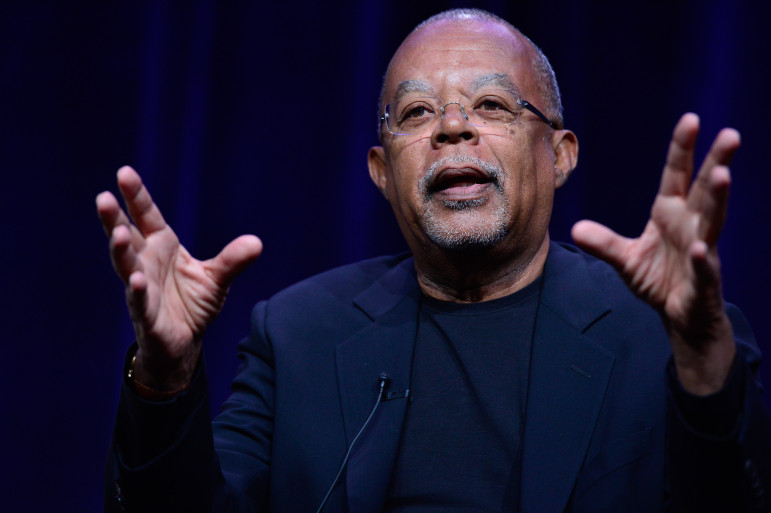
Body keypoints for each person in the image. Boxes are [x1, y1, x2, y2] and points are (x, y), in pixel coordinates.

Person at [98, 8, 770, 513]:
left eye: (490, 104)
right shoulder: (298, 334)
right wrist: (164, 373)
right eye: (417, 111)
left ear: (559, 154)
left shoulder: (665, 335)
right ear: (382, 171)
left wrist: (703, 368)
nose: (452, 126)